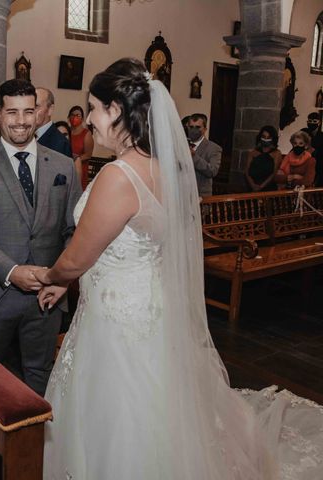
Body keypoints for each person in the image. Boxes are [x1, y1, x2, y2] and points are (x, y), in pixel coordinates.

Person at [35, 58, 323, 479]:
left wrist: (48, 276)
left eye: (94, 108)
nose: (90, 119)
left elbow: (79, 256)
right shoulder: (161, 169)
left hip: (118, 323)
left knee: (123, 416)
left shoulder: (118, 175)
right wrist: (71, 280)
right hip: (151, 309)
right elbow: (123, 246)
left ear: (116, 110)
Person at [0, 79, 82, 395]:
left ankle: (35, 443)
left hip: (48, 295)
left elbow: (74, 230)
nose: (22, 121)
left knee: (41, 379)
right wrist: (12, 272)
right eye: (12, 112)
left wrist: (62, 279)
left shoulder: (63, 166)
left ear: (39, 114)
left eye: (29, 111)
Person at [187, 112, 222, 197]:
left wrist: (193, 156)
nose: (194, 130)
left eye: (198, 127)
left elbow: (212, 171)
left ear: (205, 129)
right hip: (182, 195)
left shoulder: (214, 148)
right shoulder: (181, 145)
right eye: (191, 127)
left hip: (201, 196)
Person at [35, 87, 73, 157]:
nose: (31, 111)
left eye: (36, 106)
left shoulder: (61, 144)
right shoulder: (27, 136)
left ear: (50, 109)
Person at [245, 125, 282, 192]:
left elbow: (273, 173)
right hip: (252, 186)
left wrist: (261, 187)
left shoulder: (276, 153)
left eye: (268, 137)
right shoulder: (253, 153)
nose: (265, 139)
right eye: (264, 137)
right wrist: (253, 185)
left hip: (268, 188)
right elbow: (247, 171)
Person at [67, 105, 94, 188]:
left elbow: (88, 155)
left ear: (82, 119)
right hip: (66, 168)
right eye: (72, 115)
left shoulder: (86, 134)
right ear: (68, 117)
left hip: (80, 169)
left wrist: (74, 160)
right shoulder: (66, 132)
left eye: (78, 115)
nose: (75, 117)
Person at [301, 112, 323, 186]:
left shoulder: (321, 136)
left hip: (318, 164)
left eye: (314, 121)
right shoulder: (303, 132)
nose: (312, 123)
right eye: (310, 121)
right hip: (303, 161)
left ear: (319, 123)